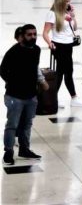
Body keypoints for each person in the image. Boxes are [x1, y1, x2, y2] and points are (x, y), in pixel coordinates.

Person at [1, 24, 47, 166]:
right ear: (22, 37)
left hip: (31, 95)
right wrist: (15, 82)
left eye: (35, 34)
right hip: (15, 96)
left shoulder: (36, 50)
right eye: (29, 35)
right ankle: (8, 152)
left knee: (27, 124)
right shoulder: (13, 52)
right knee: (12, 125)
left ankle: (24, 149)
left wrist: (41, 81)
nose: (33, 37)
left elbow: (34, 68)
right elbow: (2, 71)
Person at [42, 0, 82, 107]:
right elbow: (45, 32)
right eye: (66, 1)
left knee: (63, 72)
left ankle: (54, 98)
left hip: (68, 45)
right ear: (60, 1)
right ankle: (71, 98)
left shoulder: (67, 12)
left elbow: (75, 28)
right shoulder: (52, 14)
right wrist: (49, 43)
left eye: (69, 1)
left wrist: (73, 16)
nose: (68, 3)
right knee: (65, 72)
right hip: (59, 45)